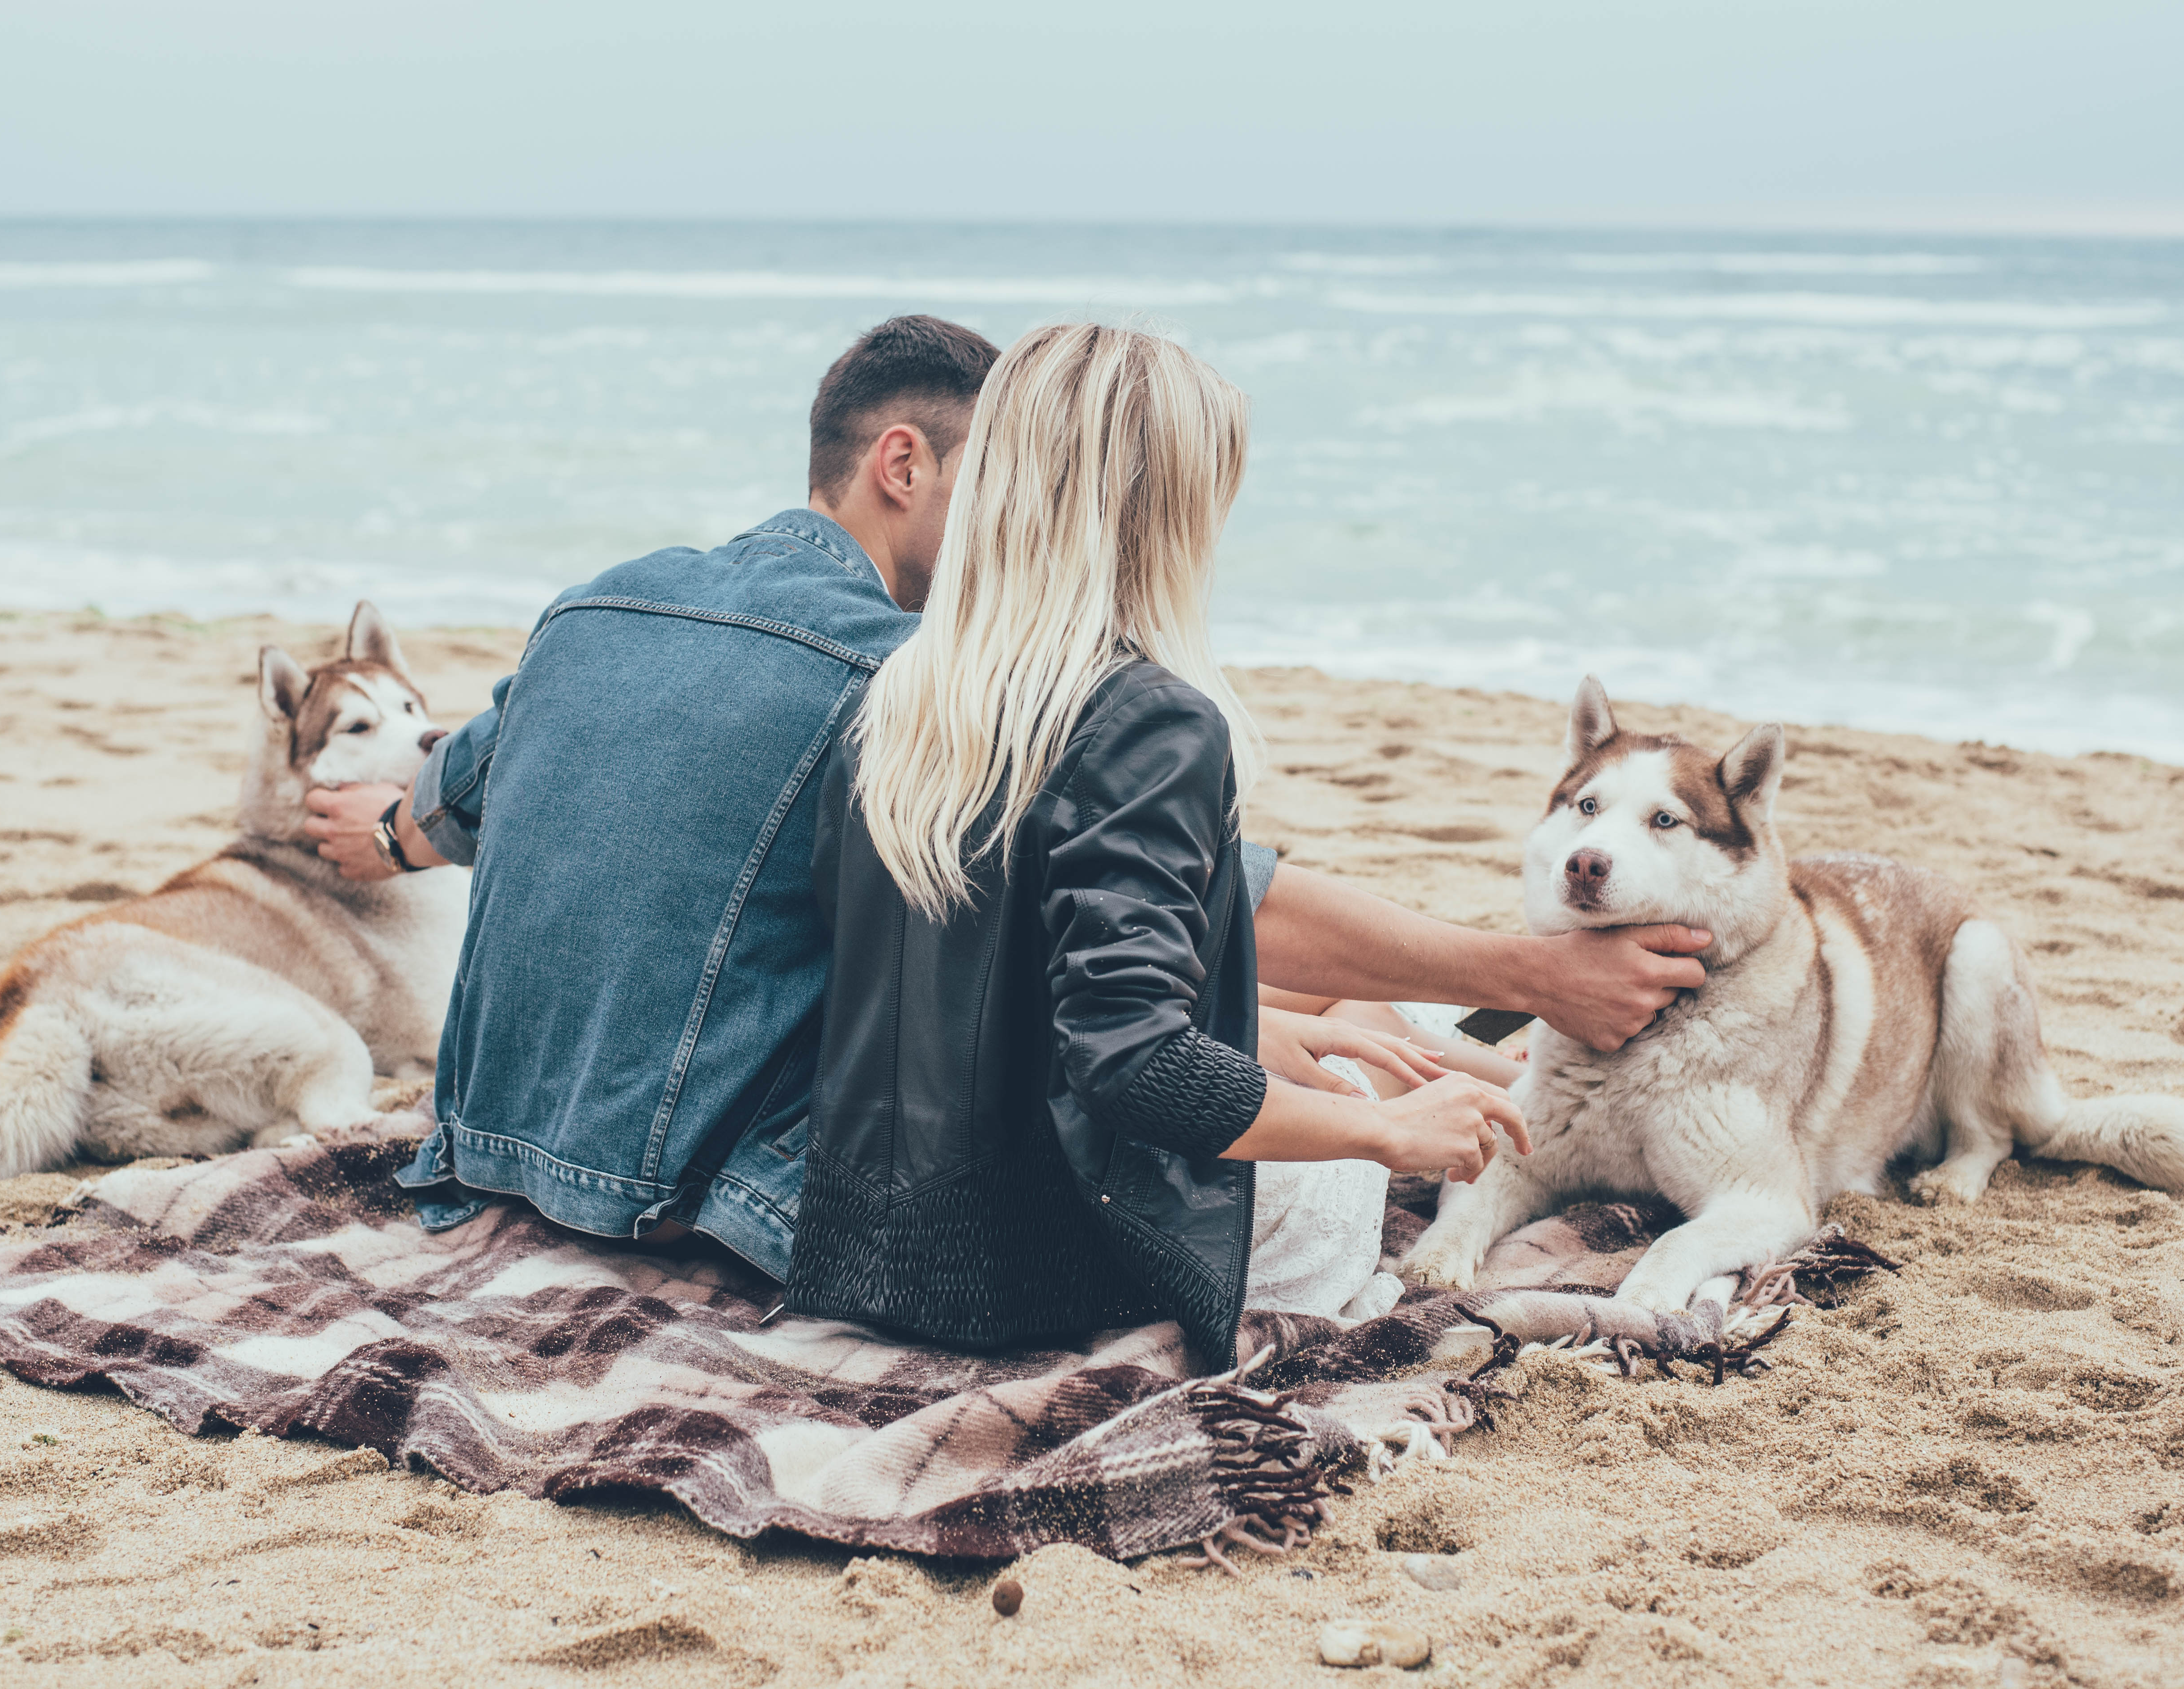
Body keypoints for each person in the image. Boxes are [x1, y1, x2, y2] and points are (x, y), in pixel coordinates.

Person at [303, 315, 1707, 1286]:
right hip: (710, 1187)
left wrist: (371, 831)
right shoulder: (912, 678)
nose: (1017, 515)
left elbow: (450, 809)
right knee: (1332, 1103)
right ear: (902, 465)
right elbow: (1214, 906)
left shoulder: (596, 601)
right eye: (999, 478)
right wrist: (1507, 972)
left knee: (1319, 1030)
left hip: (483, 1151)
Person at [791, 324, 1531, 1369]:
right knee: (1370, 1082)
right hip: (1067, 1268)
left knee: (1333, 1025)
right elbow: (1132, 1067)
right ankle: (1475, 1062)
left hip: (880, 1251)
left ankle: (1451, 1049)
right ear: (1170, 510)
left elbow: (973, 987)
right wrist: (1386, 1139)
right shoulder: (1150, 722)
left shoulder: (898, 693)